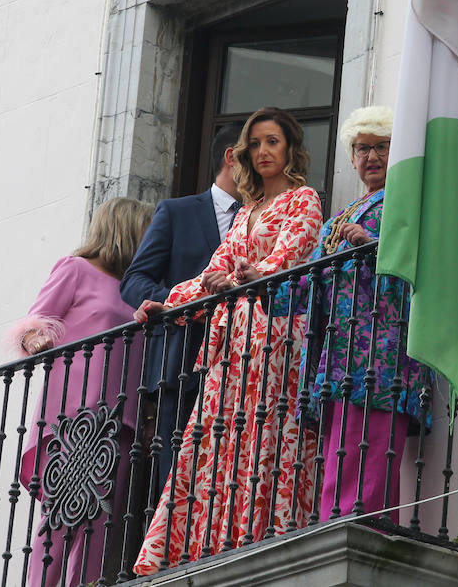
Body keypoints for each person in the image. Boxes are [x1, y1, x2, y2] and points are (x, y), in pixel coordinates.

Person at [132, 107, 324, 575]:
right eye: (255, 143)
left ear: (290, 149)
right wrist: (168, 304)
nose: (262, 151)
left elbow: (290, 258)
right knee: (215, 442)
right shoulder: (246, 212)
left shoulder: (304, 201)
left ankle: (262, 533)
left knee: (265, 436)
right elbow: (211, 274)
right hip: (231, 339)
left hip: (274, 330)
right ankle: (206, 543)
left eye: (272, 141)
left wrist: (250, 277)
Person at [271, 106, 432, 521]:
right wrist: (265, 284)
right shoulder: (339, 218)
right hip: (339, 357)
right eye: (362, 149)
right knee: (341, 453)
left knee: (373, 453)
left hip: (384, 352)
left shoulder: (410, 201)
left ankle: (364, 530)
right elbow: (309, 284)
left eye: (381, 147)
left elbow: (422, 263)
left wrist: (371, 243)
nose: (371, 157)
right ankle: (334, 528)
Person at [9, 196, 154, 587]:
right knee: (62, 517)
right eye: (147, 232)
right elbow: (32, 325)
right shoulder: (76, 269)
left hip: (122, 420)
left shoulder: (137, 289)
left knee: (103, 523)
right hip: (78, 415)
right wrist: (36, 339)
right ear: (125, 230)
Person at [121, 123, 242, 493]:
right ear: (232, 157)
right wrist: (181, 298)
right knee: (176, 478)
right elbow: (135, 279)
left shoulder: (262, 216)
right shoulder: (177, 212)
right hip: (181, 360)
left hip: (241, 362)